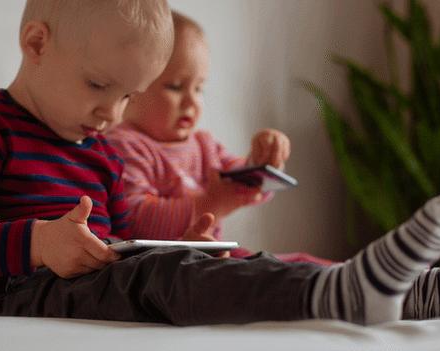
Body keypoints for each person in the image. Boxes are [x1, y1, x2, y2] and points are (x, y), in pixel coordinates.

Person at [0, 0, 440, 327]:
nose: (112, 113)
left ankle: (431, 293)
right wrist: (36, 243)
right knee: (166, 279)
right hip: (15, 290)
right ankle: (338, 295)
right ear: (36, 45)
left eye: (129, 95)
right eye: (99, 85)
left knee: (221, 261)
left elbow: (121, 231)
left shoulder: (99, 147)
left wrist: (178, 235)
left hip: (88, 275)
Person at [106, 11, 331, 264]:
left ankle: (349, 283)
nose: (192, 101)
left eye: (199, 88)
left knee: (300, 263)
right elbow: (138, 220)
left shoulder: (203, 144)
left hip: (211, 257)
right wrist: (212, 202)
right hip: (164, 268)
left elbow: (241, 181)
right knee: (270, 275)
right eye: (176, 86)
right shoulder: (124, 145)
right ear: (133, 89)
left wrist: (263, 160)